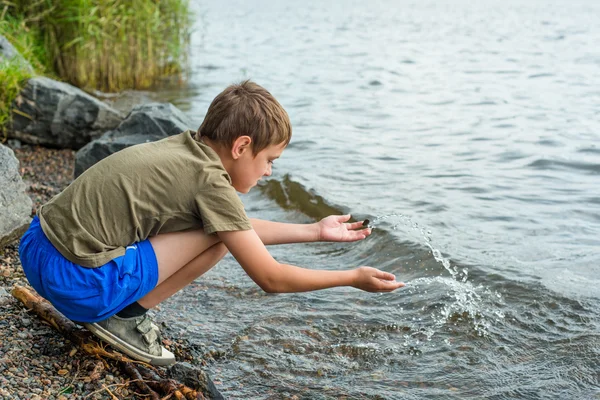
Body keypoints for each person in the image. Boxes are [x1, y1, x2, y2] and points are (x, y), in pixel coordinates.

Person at [18, 80, 405, 366]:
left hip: (36, 248)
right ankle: (125, 318)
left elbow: (237, 224)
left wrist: (314, 232)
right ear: (241, 147)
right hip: (76, 282)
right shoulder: (211, 183)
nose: (269, 172)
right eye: (269, 160)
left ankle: (119, 311)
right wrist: (351, 278)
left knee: (219, 231)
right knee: (218, 239)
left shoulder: (185, 149)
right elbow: (270, 278)